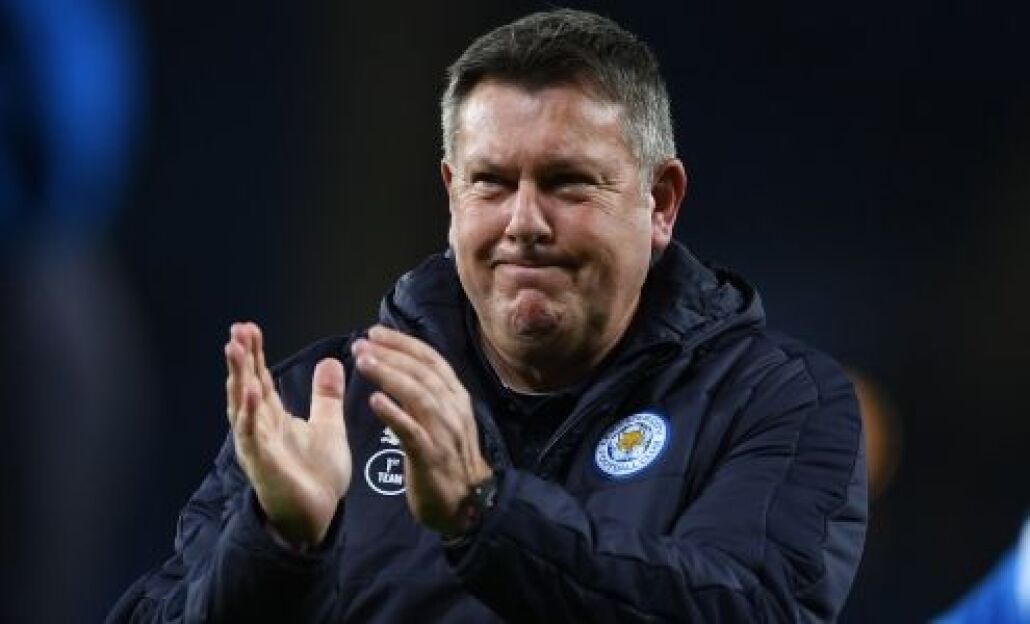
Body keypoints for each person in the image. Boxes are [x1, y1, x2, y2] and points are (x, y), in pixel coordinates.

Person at [109, 9, 867, 622]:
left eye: (568, 183)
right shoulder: (322, 403)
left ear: (660, 202)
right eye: (492, 183)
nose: (524, 223)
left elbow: (750, 606)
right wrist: (275, 545)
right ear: (452, 195)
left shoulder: (775, 401)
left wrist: (488, 514)